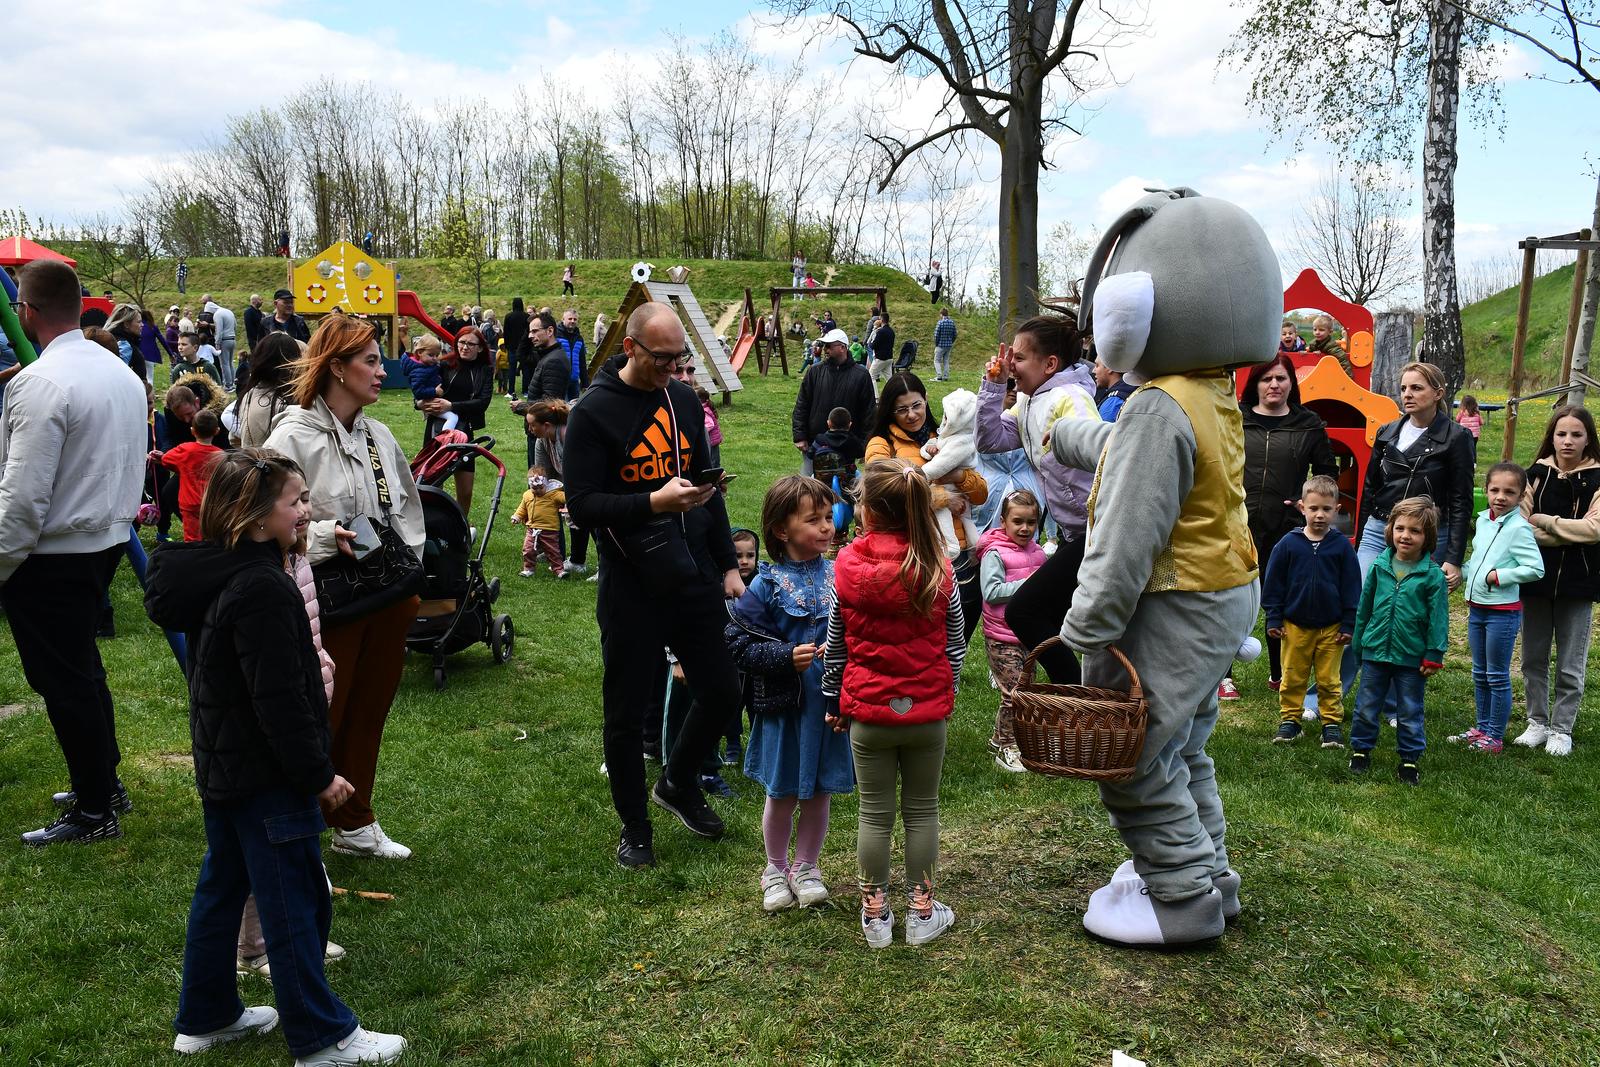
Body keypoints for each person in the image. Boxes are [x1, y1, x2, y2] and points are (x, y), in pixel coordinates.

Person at [146, 450, 406, 1066]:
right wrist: (318, 775)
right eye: (296, 502)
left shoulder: (224, 573)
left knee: (224, 886)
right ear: (256, 517)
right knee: (294, 900)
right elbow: (281, 701)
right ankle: (321, 1036)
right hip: (267, 776)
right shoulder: (263, 588)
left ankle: (207, 1014)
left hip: (227, 769)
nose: (306, 512)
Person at [564, 302, 745, 869]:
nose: (672, 368)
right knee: (625, 711)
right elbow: (582, 505)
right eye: (661, 358)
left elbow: (706, 489)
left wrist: (727, 564)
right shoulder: (593, 413)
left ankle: (678, 781)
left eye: (678, 358)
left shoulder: (684, 402)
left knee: (723, 690)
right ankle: (635, 828)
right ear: (631, 348)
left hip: (691, 572)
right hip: (632, 581)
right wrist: (651, 503)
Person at [265, 314, 424, 861]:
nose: (383, 371)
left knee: (368, 712)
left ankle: (354, 821)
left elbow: (406, 508)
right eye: (371, 361)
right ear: (337, 366)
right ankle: (299, 834)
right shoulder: (291, 435)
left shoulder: (378, 434)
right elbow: (263, 523)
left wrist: (407, 569)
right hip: (323, 601)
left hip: (385, 599)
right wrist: (323, 536)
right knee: (320, 719)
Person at [1, 259, 147, 845]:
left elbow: (22, 495)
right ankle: (101, 782)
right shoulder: (121, 375)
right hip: (105, 537)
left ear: (26, 311)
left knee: (63, 678)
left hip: (52, 550)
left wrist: (4, 563)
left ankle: (93, 808)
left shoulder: (40, 384)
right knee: (81, 666)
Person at [821, 459, 965, 948]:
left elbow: (835, 645)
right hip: (926, 713)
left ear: (869, 513)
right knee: (923, 811)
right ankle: (922, 913)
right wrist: (947, 692)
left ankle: (876, 914)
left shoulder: (846, 571)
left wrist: (832, 697)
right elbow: (956, 645)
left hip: (868, 714)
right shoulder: (940, 568)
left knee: (873, 813)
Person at [726, 475, 853, 912]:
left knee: (819, 790)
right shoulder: (766, 584)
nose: (827, 527)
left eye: (828, 517)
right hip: (785, 707)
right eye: (813, 519)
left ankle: (807, 867)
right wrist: (783, 655)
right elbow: (737, 641)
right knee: (780, 792)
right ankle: (774, 870)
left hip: (829, 707)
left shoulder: (841, 574)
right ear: (782, 530)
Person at [975, 312, 1099, 684]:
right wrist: (993, 387)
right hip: (1073, 534)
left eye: (1019, 357)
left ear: (1049, 364)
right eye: (1010, 355)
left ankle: (1074, 696)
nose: (1010, 362)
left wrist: (1067, 437)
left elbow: (1098, 448)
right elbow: (990, 440)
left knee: (1025, 612)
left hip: (1100, 528)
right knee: (1048, 614)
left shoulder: (1069, 396)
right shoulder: (1028, 403)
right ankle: (1080, 695)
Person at [1352, 361, 1475, 710]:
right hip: (1380, 528)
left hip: (1426, 535)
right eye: (1404, 388)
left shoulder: (1457, 437)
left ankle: (1392, 704)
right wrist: (1362, 538)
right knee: (1360, 605)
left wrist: (1452, 557)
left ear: (1438, 393)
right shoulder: (1387, 432)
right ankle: (1327, 695)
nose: (1408, 394)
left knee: (1409, 614)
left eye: (1417, 388)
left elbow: (1461, 500)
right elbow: (1370, 489)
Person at [1240, 354, 1339, 695]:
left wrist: (1306, 503)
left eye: (1281, 378)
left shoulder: (1308, 424)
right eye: (1267, 379)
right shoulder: (1236, 419)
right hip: (1237, 521)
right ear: (1255, 383)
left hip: (1285, 526)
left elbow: (1327, 473)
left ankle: (1279, 673)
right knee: (1229, 597)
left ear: (1290, 384)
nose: (1274, 385)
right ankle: (1222, 674)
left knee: (1277, 599)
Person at [865, 372, 989, 643]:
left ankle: (950, 680)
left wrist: (958, 477)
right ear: (889, 410)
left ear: (926, 400)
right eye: (902, 409)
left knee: (961, 625)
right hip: (913, 553)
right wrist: (941, 497)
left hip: (959, 551)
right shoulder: (882, 444)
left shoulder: (946, 436)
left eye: (916, 405)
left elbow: (981, 494)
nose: (911, 415)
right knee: (922, 633)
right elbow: (881, 496)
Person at [1515, 406, 1600, 756]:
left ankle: (1562, 728)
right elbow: (1520, 525)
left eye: (1576, 435)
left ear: (1588, 439)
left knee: (1570, 660)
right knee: (1533, 656)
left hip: (1579, 582)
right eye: (1561, 434)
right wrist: (1569, 532)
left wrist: (1548, 522)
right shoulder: (1535, 475)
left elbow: (1595, 529)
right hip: (1535, 577)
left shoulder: (1598, 478)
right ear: (1552, 436)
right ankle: (1537, 721)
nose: (1568, 441)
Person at [1348, 497, 1450, 785]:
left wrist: (1434, 653)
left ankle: (1409, 757)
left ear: (1427, 537)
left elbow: (1439, 618)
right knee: (1366, 705)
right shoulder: (1380, 567)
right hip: (1375, 651)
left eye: (1415, 531)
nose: (1405, 536)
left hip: (1412, 656)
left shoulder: (1432, 576)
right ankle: (1361, 749)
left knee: (1409, 708)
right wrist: (1359, 643)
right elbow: (1364, 608)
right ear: (1390, 529)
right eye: (1400, 528)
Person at [1447, 462, 1544, 754]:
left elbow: (1535, 569)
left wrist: (1499, 577)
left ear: (1521, 495)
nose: (1501, 497)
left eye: (1509, 492)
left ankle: (1495, 736)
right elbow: (1479, 560)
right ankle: (1481, 727)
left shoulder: (1519, 528)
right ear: (1486, 490)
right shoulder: (1483, 522)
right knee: (1479, 672)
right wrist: (1461, 572)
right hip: (1477, 608)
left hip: (1502, 612)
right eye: (1495, 490)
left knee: (1497, 675)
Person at [1262, 475, 1361, 747]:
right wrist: (1274, 615)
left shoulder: (1341, 547)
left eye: (1326, 509)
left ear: (1337, 510)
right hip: (1295, 626)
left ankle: (1331, 724)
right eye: (1314, 508)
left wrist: (1348, 623)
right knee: (1293, 676)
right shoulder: (1288, 545)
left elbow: (1353, 588)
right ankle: (1290, 721)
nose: (1319, 515)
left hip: (1331, 628)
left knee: (1329, 680)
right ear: (1302, 507)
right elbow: (1273, 583)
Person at [976, 489, 1046, 773]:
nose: (1025, 528)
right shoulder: (994, 553)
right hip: (1001, 638)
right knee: (1015, 693)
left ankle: (998, 737)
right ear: (1003, 520)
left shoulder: (1039, 553)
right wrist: (1031, 583)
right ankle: (1008, 746)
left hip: (1029, 634)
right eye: (1018, 521)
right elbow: (991, 592)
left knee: (1024, 690)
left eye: (1031, 522)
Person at [425, 327, 494, 514]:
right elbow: (423, 387)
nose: (464, 347)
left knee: (465, 489)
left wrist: (452, 406)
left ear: (480, 348)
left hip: (466, 430)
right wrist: (421, 403)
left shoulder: (485, 369)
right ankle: (431, 524)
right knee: (432, 480)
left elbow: (482, 402)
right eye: (461, 342)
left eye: (470, 344)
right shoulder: (444, 365)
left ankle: (461, 525)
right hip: (438, 428)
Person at [791, 328, 874, 476]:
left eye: (829, 346)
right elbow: (802, 404)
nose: (825, 350)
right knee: (809, 489)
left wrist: (865, 444)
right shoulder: (814, 371)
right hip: (814, 443)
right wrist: (800, 435)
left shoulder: (861, 375)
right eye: (824, 346)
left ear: (842, 347)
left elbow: (868, 412)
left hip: (846, 445)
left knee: (843, 490)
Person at [157, 409, 224, 541]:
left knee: (192, 538)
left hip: (190, 505)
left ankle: (194, 557)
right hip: (213, 504)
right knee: (214, 536)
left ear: (193, 431)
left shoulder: (185, 450)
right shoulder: (221, 456)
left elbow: (166, 460)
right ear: (217, 431)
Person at [236, 333, 302, 450]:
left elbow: (234, 438)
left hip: (251, 463)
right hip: (275, 465)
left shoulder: (249, 394)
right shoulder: (282, 405)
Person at [511, 466, 566, 578]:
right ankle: (528, 569)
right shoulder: (527, 495)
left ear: (545, 484)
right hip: (532, 529)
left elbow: (566, 498)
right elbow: (522, 508)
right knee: (528, 550)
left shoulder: (554, 494)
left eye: (541, 488)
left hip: (550, 530)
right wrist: (517, 516)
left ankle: (559, 570)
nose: (538, 491)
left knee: (553, 552)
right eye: (534, 488)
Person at [525, 311, 566, 402]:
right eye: (530, 332)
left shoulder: (554, 361)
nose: (530, 336)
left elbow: (550, 403)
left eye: (534, 331)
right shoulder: (547, 355)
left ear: (550, 331)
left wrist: (522, 407)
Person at [203, 295, 238, 391]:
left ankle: (228, 385)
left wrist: (217, 343)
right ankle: (234, 382)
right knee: (230, 362)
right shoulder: (228, 311)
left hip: (224, 341)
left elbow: (219, 330)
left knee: (224, 364)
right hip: (232, 339)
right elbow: (235, 325)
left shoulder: (217, 314)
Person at [555, 308, 588, 397]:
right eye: (570, 319)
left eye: (575, 319)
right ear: (563, 319)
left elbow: (582, 361)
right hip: (559, 379)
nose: (572, 321)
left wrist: (585, 383)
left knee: (574, 408)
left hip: (574, 381)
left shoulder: (579, 338)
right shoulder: (555, 336)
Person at [865, 314, 896, 395]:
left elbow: (873, 345)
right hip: (889, 358)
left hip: (880, 358)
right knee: (889, 379)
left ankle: (876, 396)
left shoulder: (881, 332)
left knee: (871, 376)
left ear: (881, 320)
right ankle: (894, 394)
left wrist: (870, 344)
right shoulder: (891, 331)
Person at [931, 307, 957, 382]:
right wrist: (951, 341)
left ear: (941, 314)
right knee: (946, 361)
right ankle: (946, 376)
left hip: (940, 345)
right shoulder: (952, 322)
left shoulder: (940, 323)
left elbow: (936, 335)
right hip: (948, 345)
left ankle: (939, 376)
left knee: (937, 361)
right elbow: (955, 334)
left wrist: (936, 344)